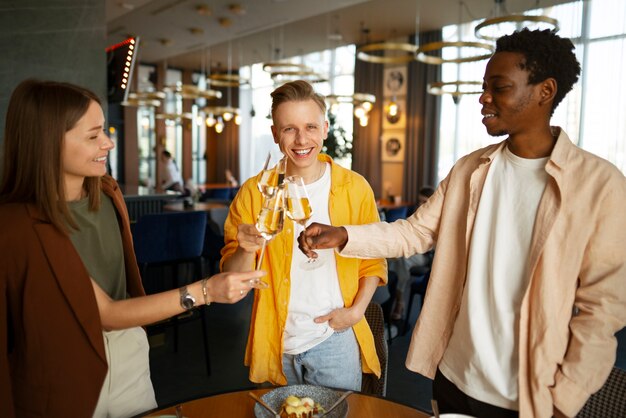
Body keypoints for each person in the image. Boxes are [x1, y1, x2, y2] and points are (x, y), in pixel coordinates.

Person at [299, 29, 626, 418]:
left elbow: (602, 310)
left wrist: (564, 400)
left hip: (531, 396)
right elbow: (416, 232)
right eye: (484, 86)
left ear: (545, 90)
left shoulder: (599, 184)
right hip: (454, 376)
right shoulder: (471, 168)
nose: (484, 98)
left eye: (499, 87)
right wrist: (344, 236)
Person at [0, 79, 265, 418]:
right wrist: (205, 290)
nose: (108, 143)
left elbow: (123, 297)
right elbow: (105, 314)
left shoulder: (109, 196)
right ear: (48, 142)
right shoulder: (16, 226)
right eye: (94, 135)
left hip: (129, 352)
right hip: (61, 369)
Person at [221, 80, 387, 390]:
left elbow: (373, 261)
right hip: (275, 340)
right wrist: (245, 250)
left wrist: (354, 313)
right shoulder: (255, 193)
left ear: (325, 128)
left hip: (334, 337)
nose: (301, 139)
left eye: (310, 127)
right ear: (275, 134)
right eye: (289, 129)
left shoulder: (356, 188)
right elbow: (233, 281)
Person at [388, 185, 435, 321]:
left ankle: (398, 301)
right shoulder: (414, 215)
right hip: (410, 251)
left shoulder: (437, 219)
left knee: (401, 258)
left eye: (424, 202)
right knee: (398, 257)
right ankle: (391, 299)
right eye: (419, 201)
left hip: (426, 256)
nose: (420, 204)